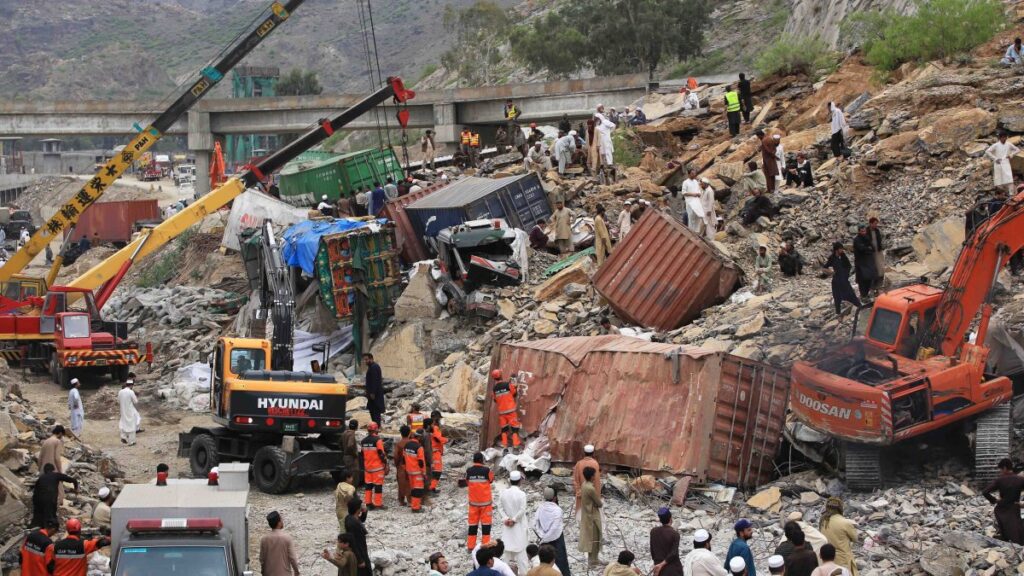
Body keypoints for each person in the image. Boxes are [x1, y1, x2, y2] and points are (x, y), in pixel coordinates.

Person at [983, 458, 1024, 544]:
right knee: (1017, 527)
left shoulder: (1000, 480)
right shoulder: (1020, 479)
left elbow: (985, 492)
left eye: (1001, 470)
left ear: (1004, 468)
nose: (1000, 472)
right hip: (1014, 506)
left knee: (1005, 528)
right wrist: (1022, 504)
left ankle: (1006, 542)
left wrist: (994, 500)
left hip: (1002, 508)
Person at [533, 488, 571, 576]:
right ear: (554, 498)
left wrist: (542, 535)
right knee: (560, 561)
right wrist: (547, 537)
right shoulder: (557, 510)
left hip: (544, 540)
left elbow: (534, 524)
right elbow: (555, 528)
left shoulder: (540, 508)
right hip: (556, 539)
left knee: (544, 561)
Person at [499, 471, 530, 573]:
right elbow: (522, 509)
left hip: (507, 527)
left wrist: (506, 519)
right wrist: (514, 519)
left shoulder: (503, 493)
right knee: (522, 558)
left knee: (505, 556)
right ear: (520, 481)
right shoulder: (521, 494)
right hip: (519, 527)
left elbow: (500, 508)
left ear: (510, 481)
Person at [31, 464, 77, 530]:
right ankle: (51, 529)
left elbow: (35, 492)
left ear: (45, 471)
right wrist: (75, 488)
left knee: (42, 514)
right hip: (51, 498)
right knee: (51, 514)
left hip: (40, 499)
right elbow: (72, 480)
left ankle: (42, 527)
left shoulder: (41, 478)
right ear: (53, 469)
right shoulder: (56, 475)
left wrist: (35, 503)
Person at [819, 498, 858, 575]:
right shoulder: (845, 523)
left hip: (828, 558)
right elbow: (855, 539)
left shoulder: (823, 521)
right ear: (840, 508)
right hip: (843, 559)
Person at [823, 242, 862, 316]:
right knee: (837, 297)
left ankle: (860, 307)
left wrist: (846, 273)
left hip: (844, 279)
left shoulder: (843, 256)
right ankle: (838, 314)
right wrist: (831, 272)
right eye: (840, 249)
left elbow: (849, 266)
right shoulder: (832, 258)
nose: (842, 250)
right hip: (836, 281)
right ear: (836, 249)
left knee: (851, 294)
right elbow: (824, 268)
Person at [466, 452, 495, 550]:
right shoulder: (486, 470)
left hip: (473, 504)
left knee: (473, 525)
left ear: (473, 460)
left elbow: (467, 482)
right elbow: (491, 480)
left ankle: (470, 546)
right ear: (482, 460)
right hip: (485, 504)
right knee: (486, 526)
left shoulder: (469, 471)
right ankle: (485, 546)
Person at [260, 511, 300, 576]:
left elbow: (262, 559)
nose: (282, 521)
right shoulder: (287, 538)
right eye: (281, 519)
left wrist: (263, 572)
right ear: (279, 522)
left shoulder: (264, 539)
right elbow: (293, 558)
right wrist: (297, 572)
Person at [360, 422, 388, 510]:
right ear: (375, 429)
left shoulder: (363, 441)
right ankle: (378, 504)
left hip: (368, 468)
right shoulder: (378, 440)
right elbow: (381, 454)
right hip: (377, 468)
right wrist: (386, 463)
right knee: (378, 486)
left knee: (368, 486)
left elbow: (362, 454)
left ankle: (368, 504)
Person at [578, 467, 602, 566]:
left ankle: (592, 559)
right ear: (592, 476)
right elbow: (599, 503)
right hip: (592, 515)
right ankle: (593, 560)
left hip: (586, 514)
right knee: (595, 537)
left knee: (589, 537)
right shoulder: (590, 488)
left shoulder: (584, 485)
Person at [491, 369, 521, 449]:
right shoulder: (507, 385)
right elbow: (514, 393)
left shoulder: (494, 389)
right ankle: (515, 447)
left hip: (502, 413)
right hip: (511, 411)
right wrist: (514, 385)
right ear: (501, 375)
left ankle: (505, 448)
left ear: (494, 378)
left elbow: (495, 400)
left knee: (504, 430)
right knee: (515, 429)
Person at [650, 507, 683, 576]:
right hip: (673, 570)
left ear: (660, 520)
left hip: (658, 569)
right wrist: (662, 564)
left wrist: (657, 564)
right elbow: (674, 553)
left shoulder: (653, 531)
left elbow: (652, 550)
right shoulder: (675, 534)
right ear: (670, 518)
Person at [344, 498, 371, 576]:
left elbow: (361, 520)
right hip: (358, 551)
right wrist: (360, 560)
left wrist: (365, 512)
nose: (362, 506)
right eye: (360, 506)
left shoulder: (351, 518)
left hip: (361, 548)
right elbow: (353, 542)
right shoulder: (352, 523)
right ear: (357, 509)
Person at [572, 444, 602, 514]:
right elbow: (597, 482)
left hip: (582, 494)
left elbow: (575, 480)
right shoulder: (595, 464)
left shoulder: (579, 464)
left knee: (581, 515)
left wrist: (578, 492)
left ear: (584, 452)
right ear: (593, 453)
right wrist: (597, 496)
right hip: (592, 494)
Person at [403, 427, 427, 512]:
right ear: (419, 437)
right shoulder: (419, 447)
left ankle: (414, 505)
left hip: (409, 471)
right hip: (417, 472)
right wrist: (424, 473)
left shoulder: (407, 445)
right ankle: (416, 508)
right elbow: (421, 462)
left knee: (413, 489)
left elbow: (404, 458)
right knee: (418, 489)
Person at [851, 224, 877, 299]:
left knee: (870, 278)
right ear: (859, 231)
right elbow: (861, 249)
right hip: (861, 263)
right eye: (862, 231)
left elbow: (872, 248)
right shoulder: (856, 240)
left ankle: (867, 294)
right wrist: (867, 248)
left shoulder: (867, 238)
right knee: (862, 281)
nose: (864, 232)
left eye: (864, 231)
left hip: (868, 262)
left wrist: (867, 248)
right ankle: (863, 295)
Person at [117, 379, 141, 445]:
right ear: (131, 385)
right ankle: (131, 442)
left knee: (123, 423)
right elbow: (135, 401)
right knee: (132, 425)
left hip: (123, 410)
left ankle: (123, 436)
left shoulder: (120, 391)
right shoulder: (131, 392)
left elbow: (118, 401)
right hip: (130, 411)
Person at [428, 411, 447, 492]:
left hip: (431, 451)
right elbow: (438, 438)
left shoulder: (430, 427)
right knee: (437, 471)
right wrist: (446, 439)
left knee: (433, 471)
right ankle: (431, 488)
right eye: (439, 418)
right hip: (435, 452)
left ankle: (431, 487)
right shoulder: (435, 428)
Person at [363, 354, 384, 426]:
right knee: (372, 410)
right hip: (373, 394)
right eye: (364, 360)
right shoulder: (372, 367)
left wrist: (372, 393)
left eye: (366, 359)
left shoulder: (374, 367)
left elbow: (375, 381)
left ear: (371, 359)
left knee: (375, 411)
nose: (365, 361)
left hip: (375, 395)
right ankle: (375, 426)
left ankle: (377, 426)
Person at [682, 168, 703, 234]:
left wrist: (699, 194)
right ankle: (691, 232)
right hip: (690, 202)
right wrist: (693, 194)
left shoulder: (696, 182)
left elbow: (699, 190)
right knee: (691, 217)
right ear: (689, 174)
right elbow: (684, 192)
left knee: (698, 216)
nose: (694, 175)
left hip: (697, 201)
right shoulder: (685, 182)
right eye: (692, 173)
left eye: (695, 173)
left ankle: (697, 232)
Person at [867, 217, 884, 291]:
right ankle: (873, 283)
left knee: (880, 265)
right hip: (871, 252)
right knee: (874, 266)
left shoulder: (877, 231)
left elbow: (879, 240)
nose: (876, 225)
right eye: (874, 224)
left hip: (878, 250)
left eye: (876, 224)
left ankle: (880, 279)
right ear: (870, 223)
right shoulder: (867, 231)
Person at [342, 420, 360, 487]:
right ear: (356, 426)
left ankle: (347, 489)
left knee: (347, 474)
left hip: (345, 456)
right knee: (354, 474)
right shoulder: (352, 434)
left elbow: (339, 443)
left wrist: (344, 450)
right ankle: (353, 491)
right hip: (351, 457)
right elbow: (350, 445)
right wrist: (354, 454)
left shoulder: (344, 433)